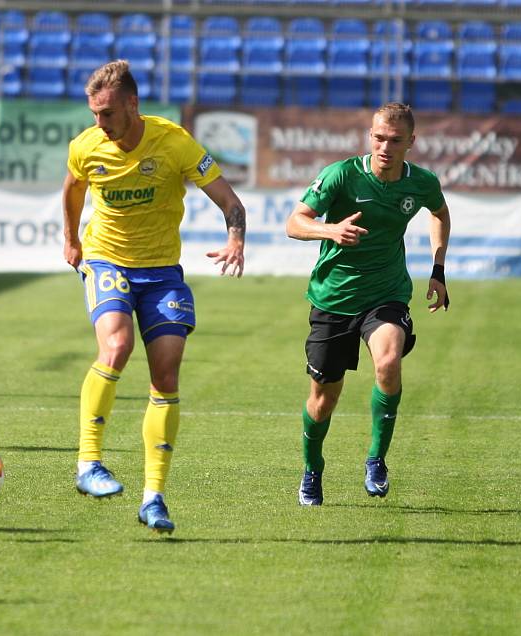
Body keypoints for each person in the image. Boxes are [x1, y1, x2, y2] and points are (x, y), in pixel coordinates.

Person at [62, 60, 246, 533]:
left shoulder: (175, 143)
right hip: (106, 261)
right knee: (117, 346)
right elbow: (73, 188)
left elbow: (230, 202)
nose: (98, 123)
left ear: (132, 104)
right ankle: (88, 464)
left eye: (106, 113)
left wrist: (235, 239)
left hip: (162, 273)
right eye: (93, 113)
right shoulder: (86, 147)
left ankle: (153, 498)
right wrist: (71, 238)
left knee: (166, 377)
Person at [285, 102, 451, 505]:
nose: (385, 147)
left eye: (395, 140)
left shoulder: (421, 182)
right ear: (369, 136)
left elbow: (440, 213)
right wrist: (331, 230)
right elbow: (294, 223)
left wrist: (438, 268)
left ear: (411, 142)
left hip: (386, 294)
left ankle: (376, 458)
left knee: (388, 361)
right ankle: (312, 468)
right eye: (379, 138)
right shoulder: (340, 175)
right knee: (323, 400)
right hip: (334, 298)